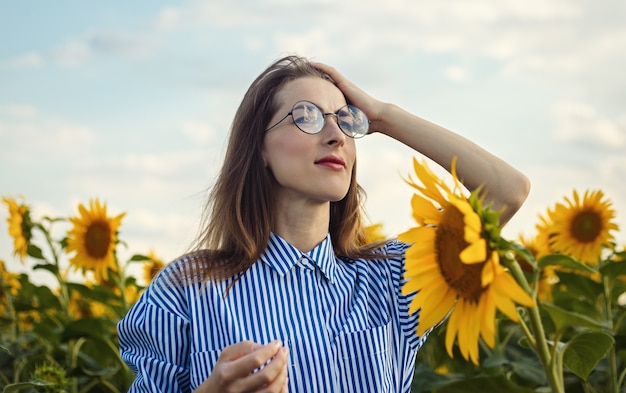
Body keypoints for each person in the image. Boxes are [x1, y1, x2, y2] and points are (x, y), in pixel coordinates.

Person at [117, 55, 530, 393]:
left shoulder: (392, 279)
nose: (336, 134)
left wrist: (383, 116)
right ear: (259, 147)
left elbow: (506, 191)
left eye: (346, 119)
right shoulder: (187, 290)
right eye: (307, 116)